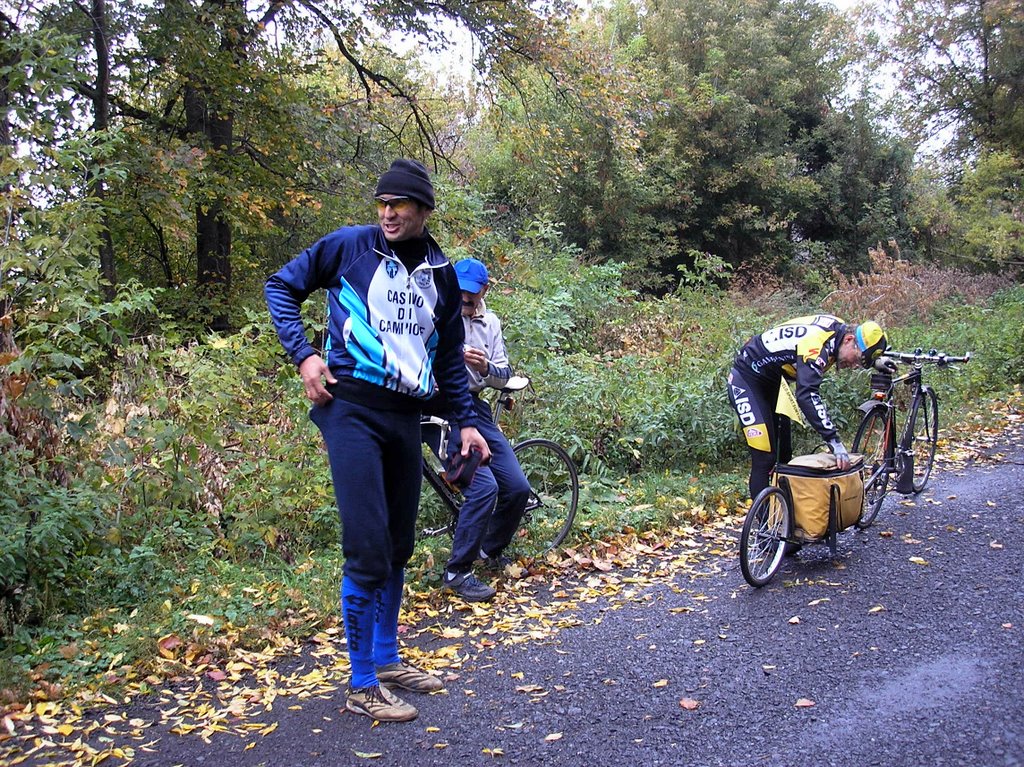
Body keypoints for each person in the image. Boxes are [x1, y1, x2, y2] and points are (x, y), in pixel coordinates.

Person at [264, 159, 491, 723]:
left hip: (405, 415)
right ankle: (361, 682)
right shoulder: (350, 247)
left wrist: (465, 420)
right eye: (382, 203)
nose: (388, 213)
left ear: (424, 210)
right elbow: (280, 287)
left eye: (399, 204)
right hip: (352, 411)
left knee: (398, 545)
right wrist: (305, 355)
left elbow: (448, 360)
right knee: (367, 546)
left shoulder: (442, 276)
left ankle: (387, 660)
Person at [437, 258, 531, 603]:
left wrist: (485, 366)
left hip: (475, 407)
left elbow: (504, 374)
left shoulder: (490, 323)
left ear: (484, 290)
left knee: (517, 488)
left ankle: (488, 550)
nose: (464, 298)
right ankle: (457, 572)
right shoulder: (438, 314)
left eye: (471, 293)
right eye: (459, 290)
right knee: (482, 487)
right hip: (440, 407)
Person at [727, 314, 890, 500]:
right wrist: (834, 441)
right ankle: (763, 517)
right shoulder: (815, 346)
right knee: (764, 457)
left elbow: (860, 349)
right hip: (746, 379)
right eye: (857, 359)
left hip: (773, 380)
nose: (854, 366)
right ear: (849, 339)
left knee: (784, 454)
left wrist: (875, 361)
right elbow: (806, 396)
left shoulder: (839, 332)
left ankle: (783, 510)